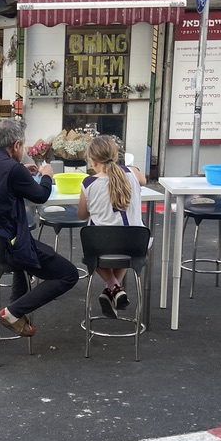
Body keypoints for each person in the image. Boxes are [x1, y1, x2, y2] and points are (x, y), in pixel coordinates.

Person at [0, 119, 78, 336]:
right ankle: (13, 312)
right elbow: (40, 196)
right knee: (68, 274)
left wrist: (20, 169)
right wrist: (47, 175)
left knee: (23, 246)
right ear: (16, 145)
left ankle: (16, 309)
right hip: (1, 249)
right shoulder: (12, 169)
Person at [77, 134, 146, 318]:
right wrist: (131, 167)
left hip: (101, 247)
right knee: (126, 235)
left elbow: (82, 215)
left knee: (91, 248)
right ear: (116, 156)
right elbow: (144, 181)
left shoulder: (88, 183)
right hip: (134, 246)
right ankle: (114, 289)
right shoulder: (131, 173)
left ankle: (113, 286)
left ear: (92, 161)